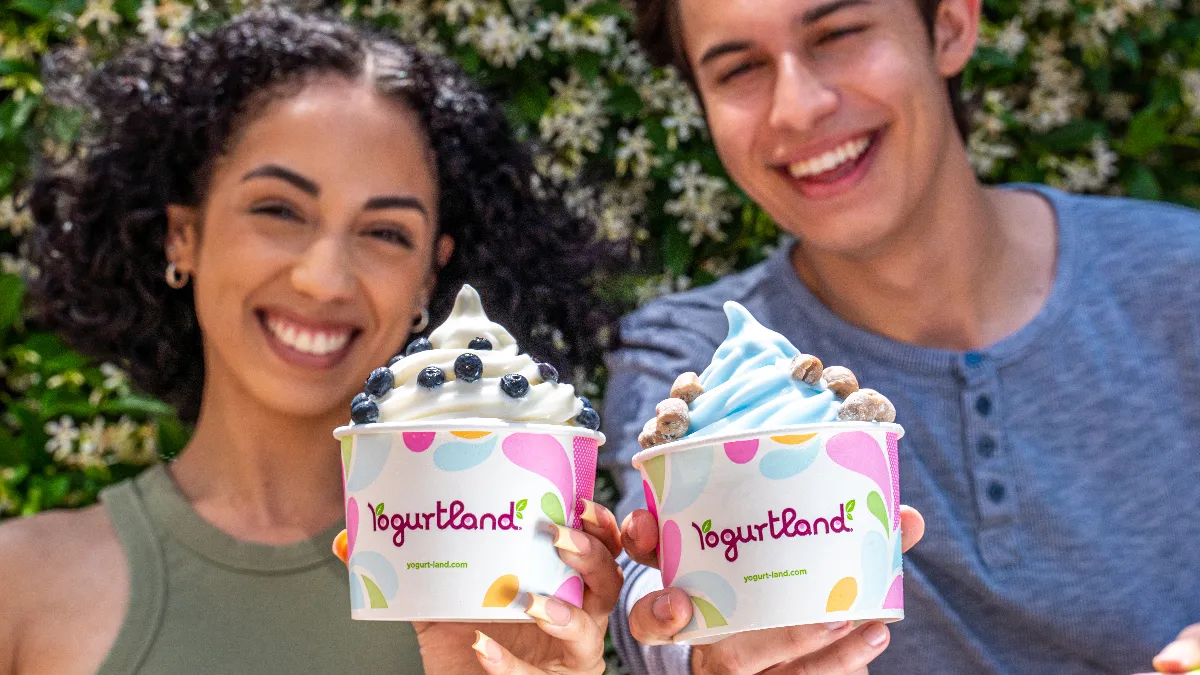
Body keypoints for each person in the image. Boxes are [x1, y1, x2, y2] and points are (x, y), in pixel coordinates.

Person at [0, 10, 627, 675]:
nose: (324, 280)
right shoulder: (21, 585)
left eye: (386, 232)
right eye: (277, 210)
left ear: (429, 276)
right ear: (183, 234)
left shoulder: (513, 591)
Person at [604, 0, 1200, 673]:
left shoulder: (1183, 277)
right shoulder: (694, 354)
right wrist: (708, 647)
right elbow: (650, 588)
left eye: (838, 34)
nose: (797, 107)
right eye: (740, 69)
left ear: (949, 25)